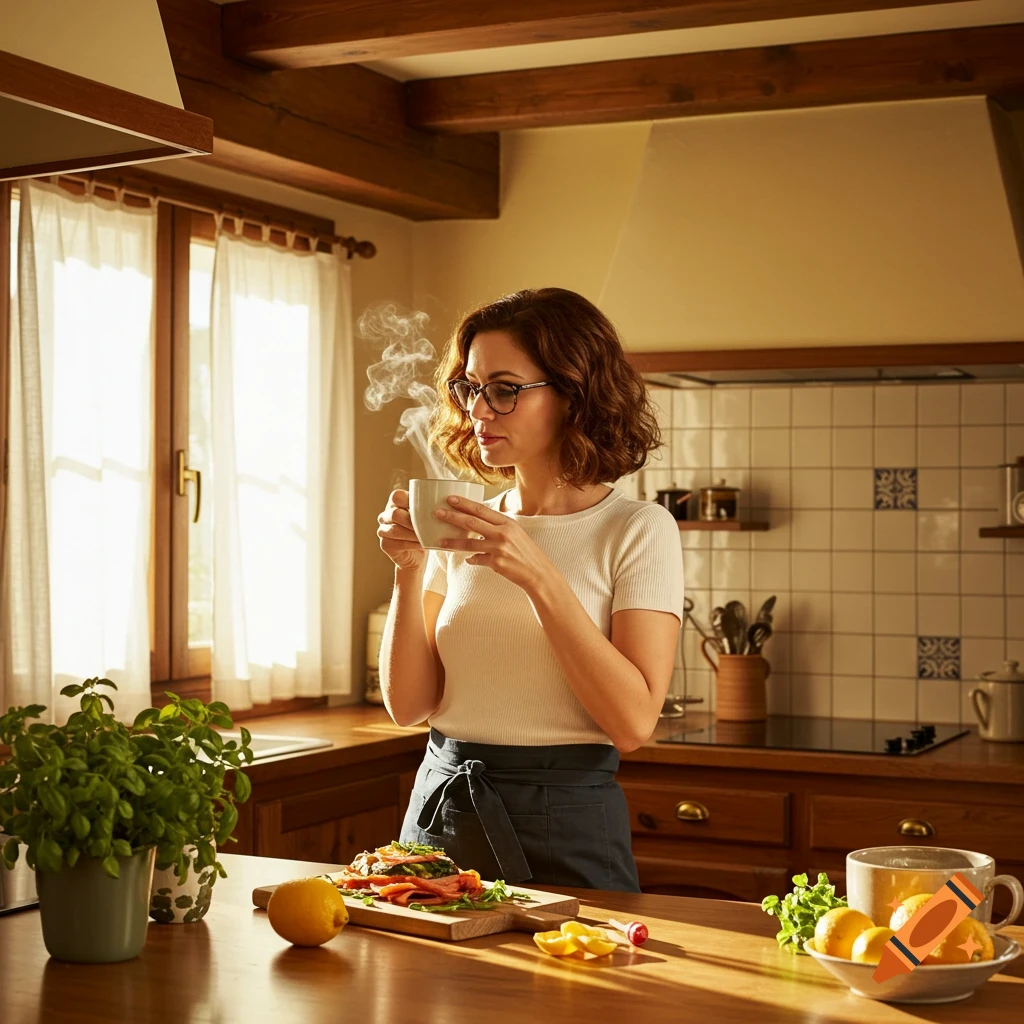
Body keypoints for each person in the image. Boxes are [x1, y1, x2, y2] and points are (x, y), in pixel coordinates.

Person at [375, 287, 684, 892]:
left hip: (566, 819)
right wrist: (408, 565)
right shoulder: (460, 524)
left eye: (505, 389)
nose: (478, 411)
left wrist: (539, 575)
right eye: (470, 387)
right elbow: (408, 707)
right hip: (441, 811)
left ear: (574, 394)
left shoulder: (637, 529)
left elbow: (632, 724)